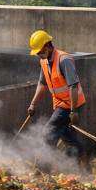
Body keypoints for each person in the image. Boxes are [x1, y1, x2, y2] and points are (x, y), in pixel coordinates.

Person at [26, 30, 85, 160]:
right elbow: (42, 84)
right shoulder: (44, 61)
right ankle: (82, 159)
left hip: (71, 104)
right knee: (66, 135)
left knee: (48, 133)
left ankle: (44, 166)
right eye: (37, 53)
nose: (39, 55)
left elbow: (73, 86)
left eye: (40, 52)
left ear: (48, 46)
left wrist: (73, 111)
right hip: (60, 103)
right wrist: (33, 104)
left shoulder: (64, 60)